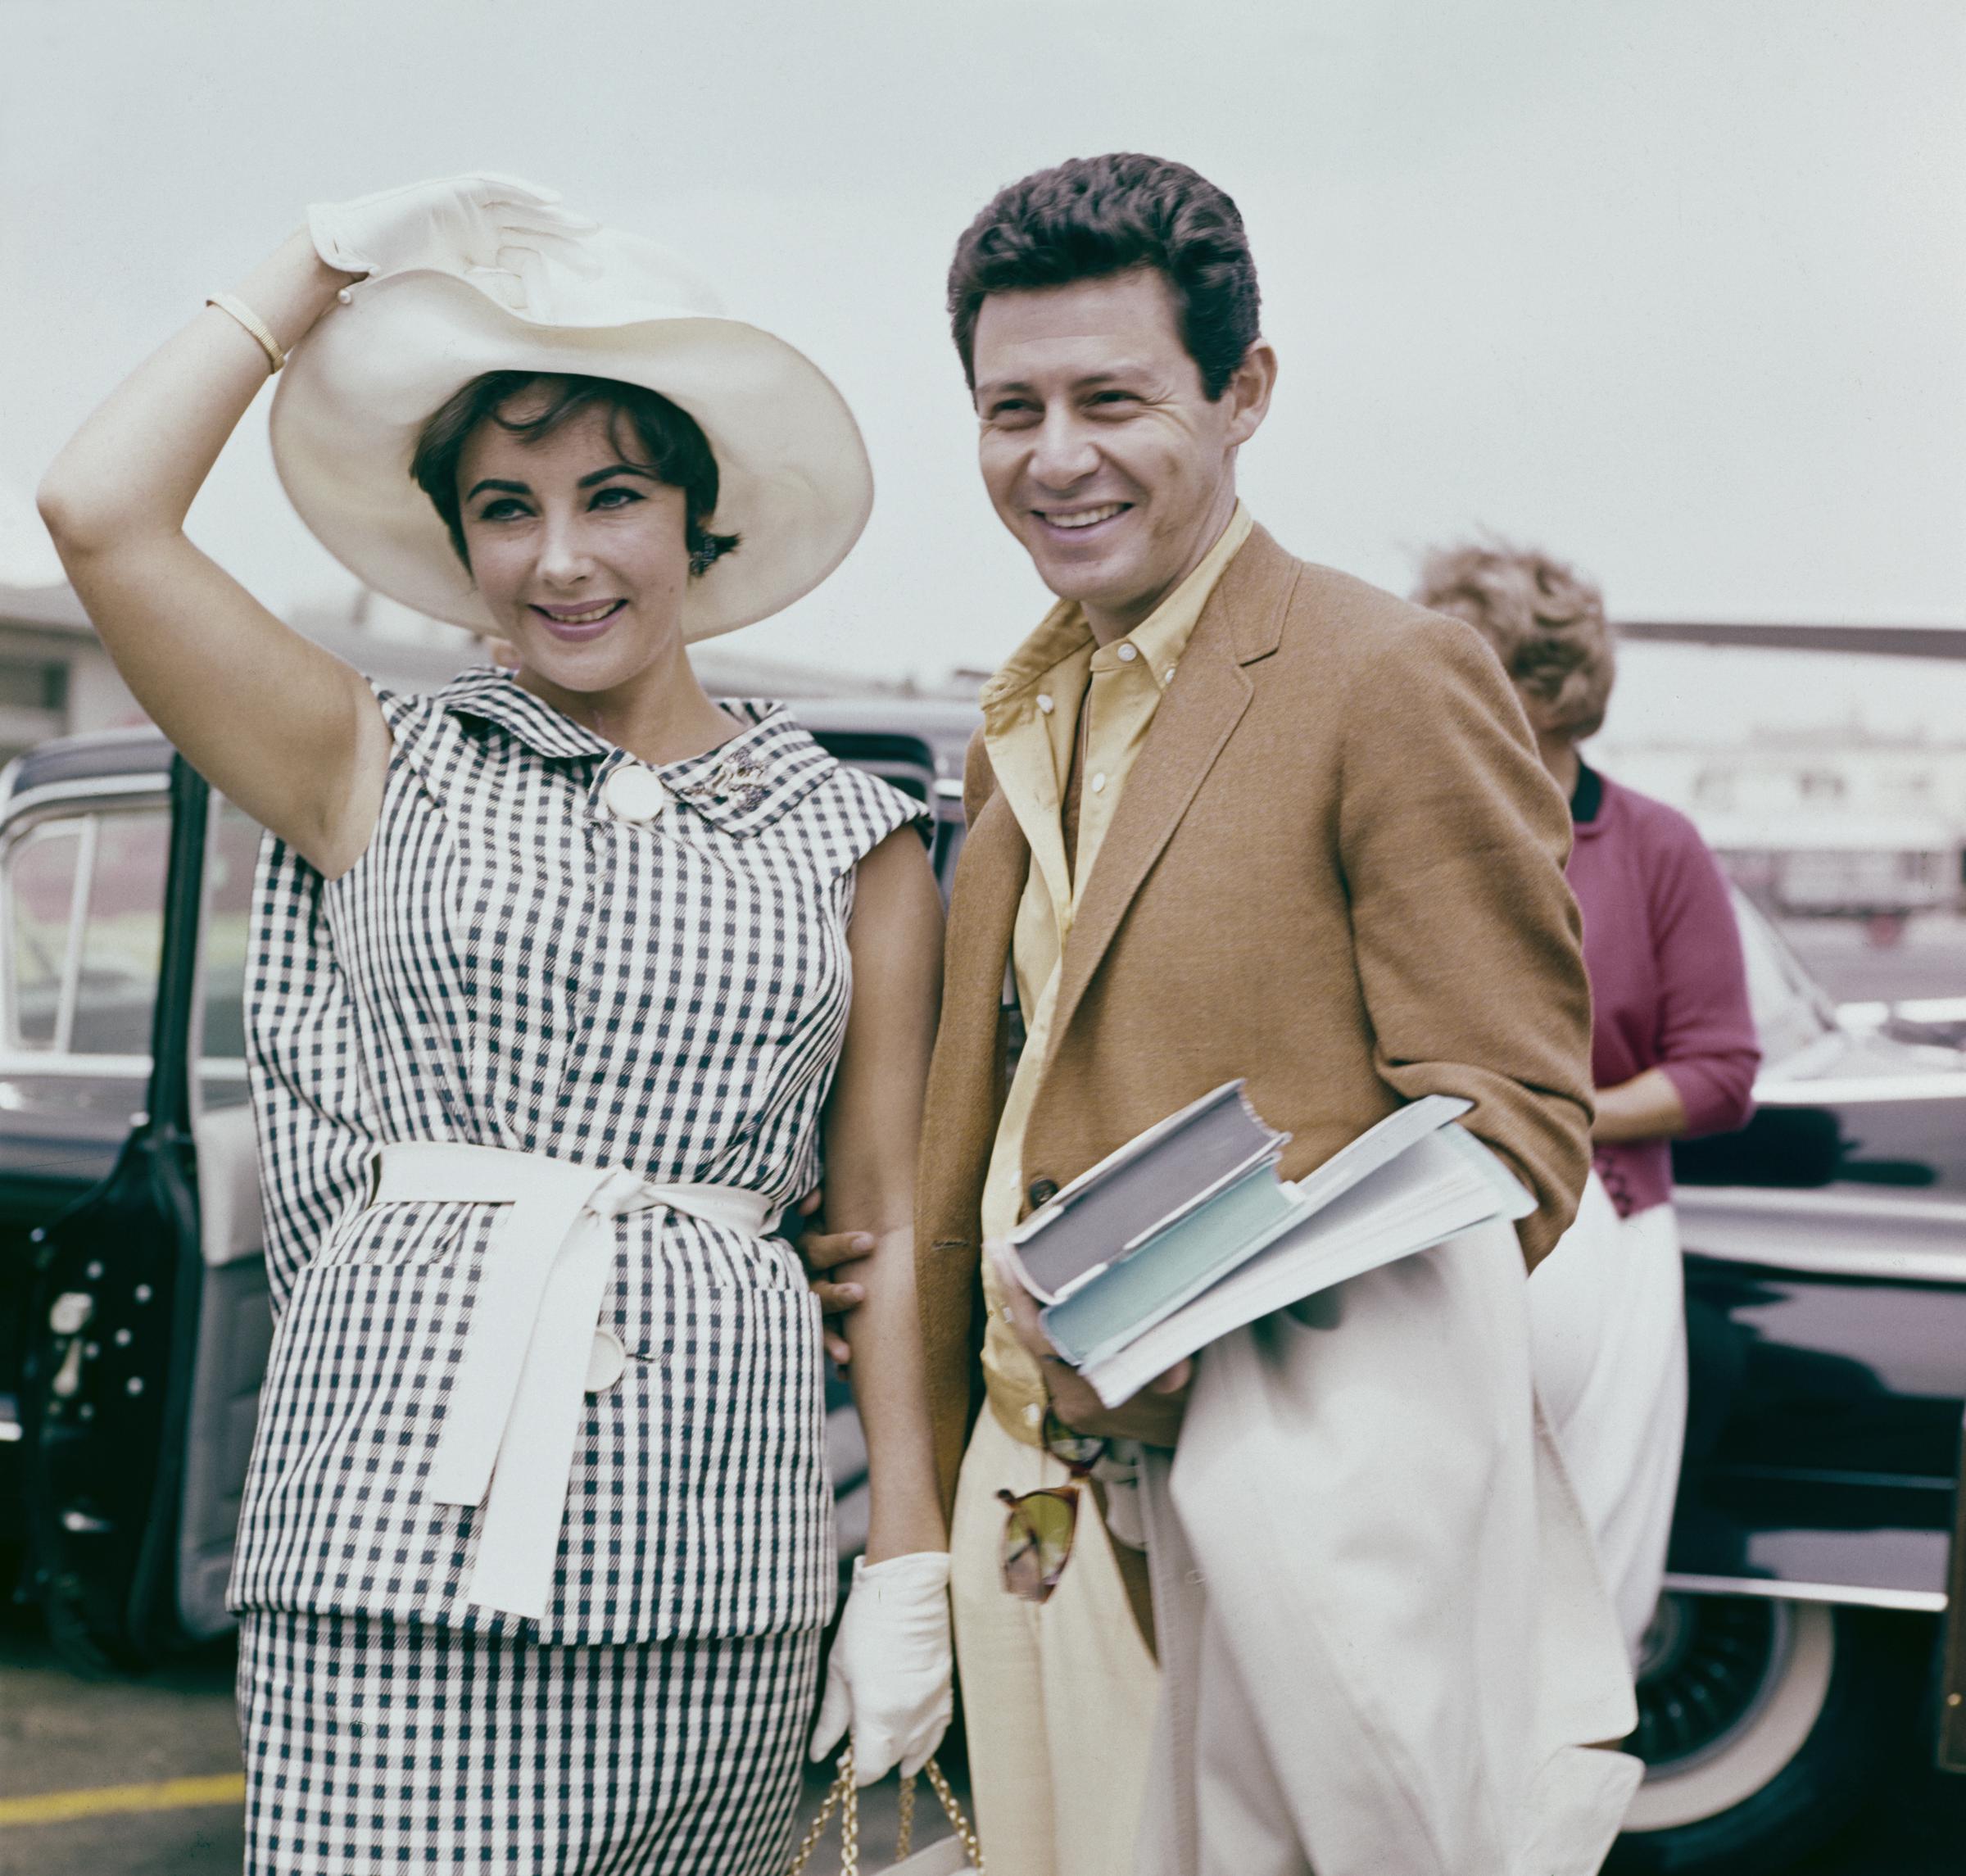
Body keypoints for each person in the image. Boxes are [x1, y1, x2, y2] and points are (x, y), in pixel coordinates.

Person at [37, 174, 953, 1875]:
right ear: (459, 542)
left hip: (715, 1564)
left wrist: (906, 1551)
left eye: (614, 496)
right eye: (504, 507)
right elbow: (99, 511)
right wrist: (316, 259)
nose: (562, 558)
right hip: (385, 1541)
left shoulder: (854, 838)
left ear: (700, 517)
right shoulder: (368, 754)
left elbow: (882, 1225)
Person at [812, 152, 1639, 1876]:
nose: (1055, 456)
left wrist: (1185, 1313)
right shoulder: (1025, 714)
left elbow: (1513, 1125)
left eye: (1112, 399)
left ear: (1243, 392)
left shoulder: (1389, 672)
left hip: (1231, 1509)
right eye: (1011, 409)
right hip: (1015, 1495)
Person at [1414, 540, 1760, 1660]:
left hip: (1603, 1227)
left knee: (1588, 1591)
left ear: (1553, 688)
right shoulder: (1408, 832)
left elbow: (1719, 1071)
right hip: (1418, 1227)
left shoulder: (1657, 845)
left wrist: (1539, 1110)